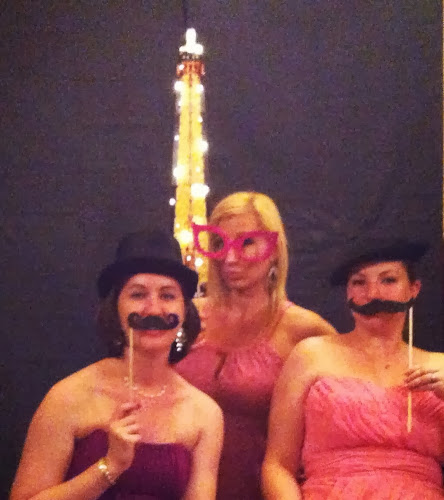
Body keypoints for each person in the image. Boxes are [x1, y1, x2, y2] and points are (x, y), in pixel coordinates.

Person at [10, 229, 223, 500]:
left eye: (168, 296)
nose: (153, 309)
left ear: (183, 312)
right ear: (116, 309)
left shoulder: (205, 414)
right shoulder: (69, 397)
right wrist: (110, 467)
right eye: (138, 294)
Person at [176, 191, 337, 500]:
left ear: (274, 250)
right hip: (178, 489)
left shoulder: (304, 331)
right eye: (219, 243)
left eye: (247, 242)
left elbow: (339, 426)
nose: (230, 257)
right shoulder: (186, 317)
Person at [262, 239, 444, 499]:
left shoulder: (440, 367)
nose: (373, 294)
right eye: (359, 282)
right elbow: (277, 465)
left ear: (413, 289)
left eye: (388, 280)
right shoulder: (311, 355)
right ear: (348, 293)